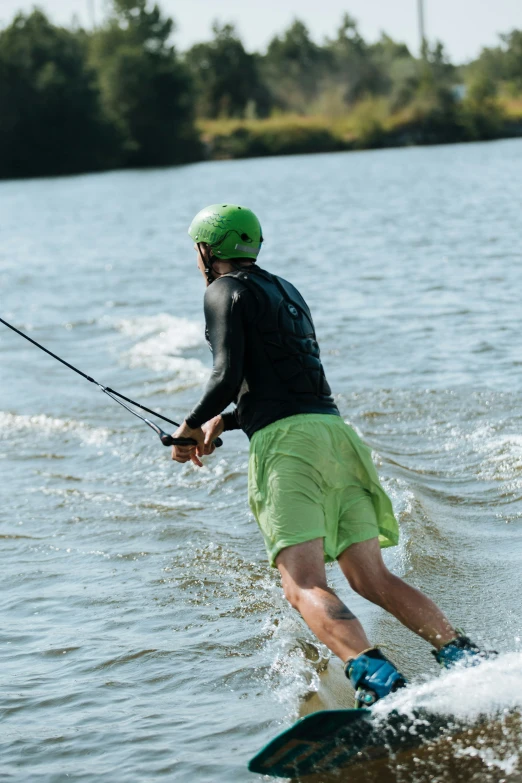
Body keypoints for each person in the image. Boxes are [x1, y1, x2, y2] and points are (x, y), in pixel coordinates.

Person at [170, 203, 490, 708]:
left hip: (289, 447)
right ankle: (467, 660)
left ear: (207, 251)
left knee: (303, 585)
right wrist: (225, 421)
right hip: (334, 435)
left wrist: (188, 428)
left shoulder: (221, 290)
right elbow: (287, 380)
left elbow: (226, 376)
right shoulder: (286, 291)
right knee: (372, 578)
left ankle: (381, 686)